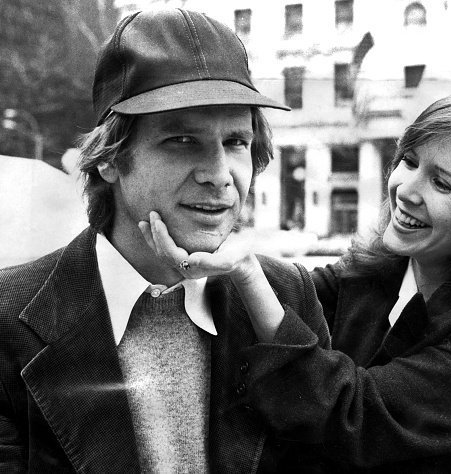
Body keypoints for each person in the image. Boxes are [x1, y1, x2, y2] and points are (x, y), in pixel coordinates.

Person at [146, 92, 451, 473]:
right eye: (410, 161)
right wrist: (201, 253)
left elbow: (356, 418)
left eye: (442, 183)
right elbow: (292, 294)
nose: (406, 189)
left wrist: (244, 270)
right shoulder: (379, 272)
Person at [0, 8, 330, 473]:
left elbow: (323, 447)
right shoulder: (8, 320)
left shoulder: (283, 297)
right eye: (181, 140)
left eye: (236, 141)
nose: (219, 175)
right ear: (110, 159)